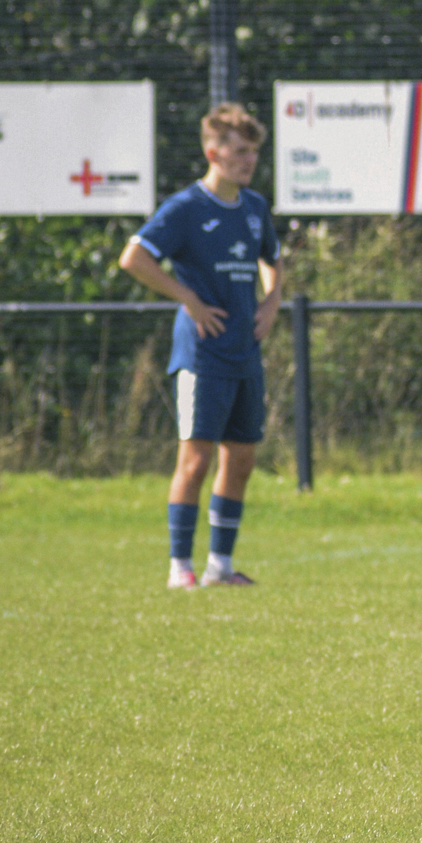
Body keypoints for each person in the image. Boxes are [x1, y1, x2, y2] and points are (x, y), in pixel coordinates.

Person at [119, 102, 281, 588]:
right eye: (237, 151)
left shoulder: (254, 208)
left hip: (243, 352)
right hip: (203, 353)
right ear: (212, 151)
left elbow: (271, 259)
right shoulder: (186, 208)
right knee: (195, 460)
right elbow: (134, 258)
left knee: (243, 459)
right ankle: (179, 569)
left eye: (252, 151)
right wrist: (188, 297)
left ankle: (220, 568)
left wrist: (272, 300)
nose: (247, 160)